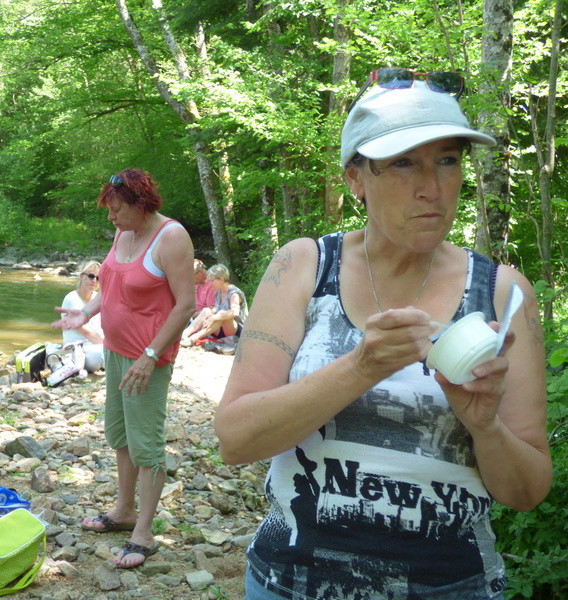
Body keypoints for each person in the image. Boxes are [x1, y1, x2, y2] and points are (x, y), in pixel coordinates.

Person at [214, 69, 552, 600]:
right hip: (290, 582)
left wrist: (484, 426)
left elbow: (528, 491)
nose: (432, 188)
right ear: (355, 179)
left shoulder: (504, 295)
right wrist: (360, 367)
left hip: (449, 586)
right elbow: (235, 439)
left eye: (447, 160)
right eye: (402, 163)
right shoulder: (304, 267)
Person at [52, 168, 195, 568]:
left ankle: (144, 532)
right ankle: (123, 511)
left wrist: (150, 356)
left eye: (116, 209)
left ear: (140, 204)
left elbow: (186, 305)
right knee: (119, 435)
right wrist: (84, 315)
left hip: (146, 359)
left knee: (146, 444)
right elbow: (111, 287)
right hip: (116, 352)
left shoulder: (171, 237)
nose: (111, 217)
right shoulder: (123, 233)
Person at [181, 263, 249, 346]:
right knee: (206, 310)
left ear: (221, 279)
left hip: (236, 330)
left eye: (212, 280)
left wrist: (214, 317)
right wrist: (207, 317)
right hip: (220, 328)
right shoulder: (218, 292)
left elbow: (235, 312)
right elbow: (215, 309)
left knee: (221, 314)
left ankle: (192, 339)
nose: (210, 283)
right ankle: (183, 336)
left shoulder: (234, 293)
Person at [60, 260, 105, 372]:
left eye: (98, 278)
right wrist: (108, 347)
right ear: (81, 276)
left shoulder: (97, 297)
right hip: (77, 351)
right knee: (103, 353)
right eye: (91, 276)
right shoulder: (71, 299)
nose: (94, 280)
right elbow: (85, 331)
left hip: (96, 346)